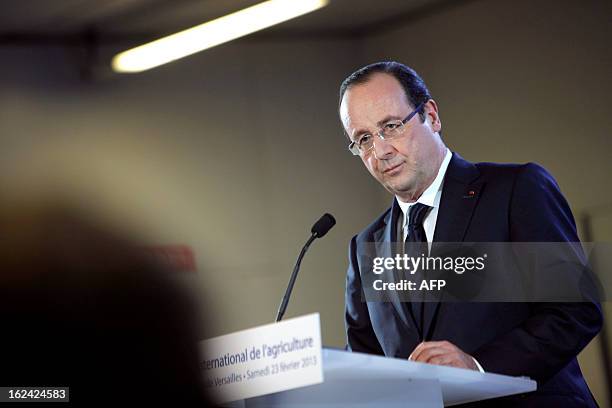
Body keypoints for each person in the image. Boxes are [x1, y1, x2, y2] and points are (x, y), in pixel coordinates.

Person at [339, 61, 602, 407]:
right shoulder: (366, 248)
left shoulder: (516, 191)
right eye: (364, 139)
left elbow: (576, 310)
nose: (381, 151)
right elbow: (365, 363)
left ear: (431, 116)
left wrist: (479, 368)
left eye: (391, 126)